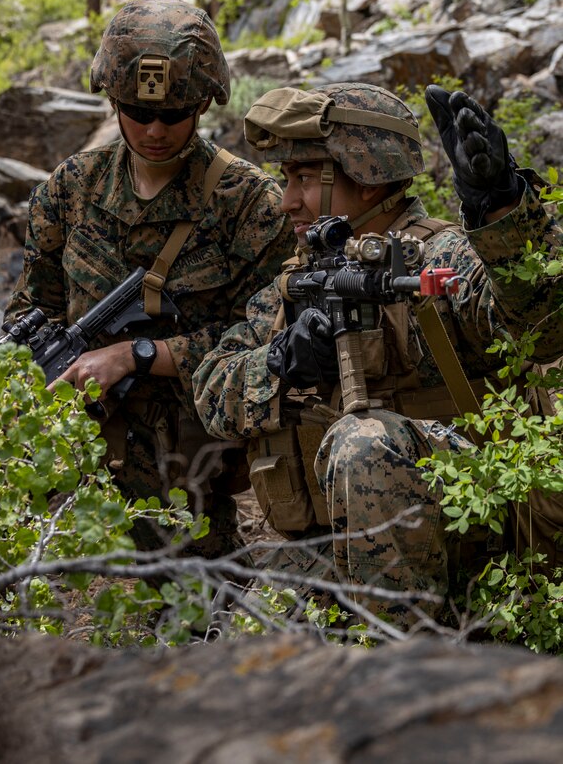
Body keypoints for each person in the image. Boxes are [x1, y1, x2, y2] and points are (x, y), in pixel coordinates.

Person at [192, 81, 563, 626]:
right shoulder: (298, 280)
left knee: (363, 441)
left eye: (302, 178)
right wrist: (278, 363)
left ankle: (410, 668)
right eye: (284, 180)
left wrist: (501, 210)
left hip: (481, 536)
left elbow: (540, 320)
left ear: (366, 179)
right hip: (332, 557)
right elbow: (210, 393)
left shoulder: (439, 254)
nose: (287, 200)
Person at [3, 0, 295, 557]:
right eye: (138, 112)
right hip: (80, 461)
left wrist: (137, 356)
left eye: (174, 113)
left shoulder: (250, 202)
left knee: (189, 619)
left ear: (204, 105)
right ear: (113, 103)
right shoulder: (70, 188)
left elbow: (267, 342)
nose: (155, 129)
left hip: (188, 473)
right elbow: (30, 308)